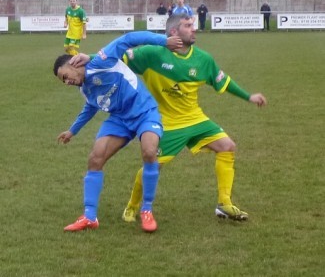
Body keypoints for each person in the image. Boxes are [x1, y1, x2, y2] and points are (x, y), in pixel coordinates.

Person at [71, 14, 267, 223]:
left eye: (193, 25)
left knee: (227, 146)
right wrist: (91, 57)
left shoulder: (203, 59)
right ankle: (133, 205)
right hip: (165, 122)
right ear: (174, 32)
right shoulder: (151, 54)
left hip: (195, 118)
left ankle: (224, 204)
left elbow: (223, 81)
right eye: (188, 25)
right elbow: (116, 57)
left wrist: (248, 96)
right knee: (152, 162)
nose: (194, 29)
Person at [53, 31, 182, 233]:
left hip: (144, 111)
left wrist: (164, 41)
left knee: (149, 152)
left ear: (74, 63)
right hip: (119, 120)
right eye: (63, 81)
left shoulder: (102, 60)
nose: (67, 82)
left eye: (65, 76)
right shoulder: (85, 89)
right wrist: (72, 131)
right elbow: (90, 107)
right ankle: (89, 216)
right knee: (95, 158)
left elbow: (128, 39)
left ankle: (146, 210)